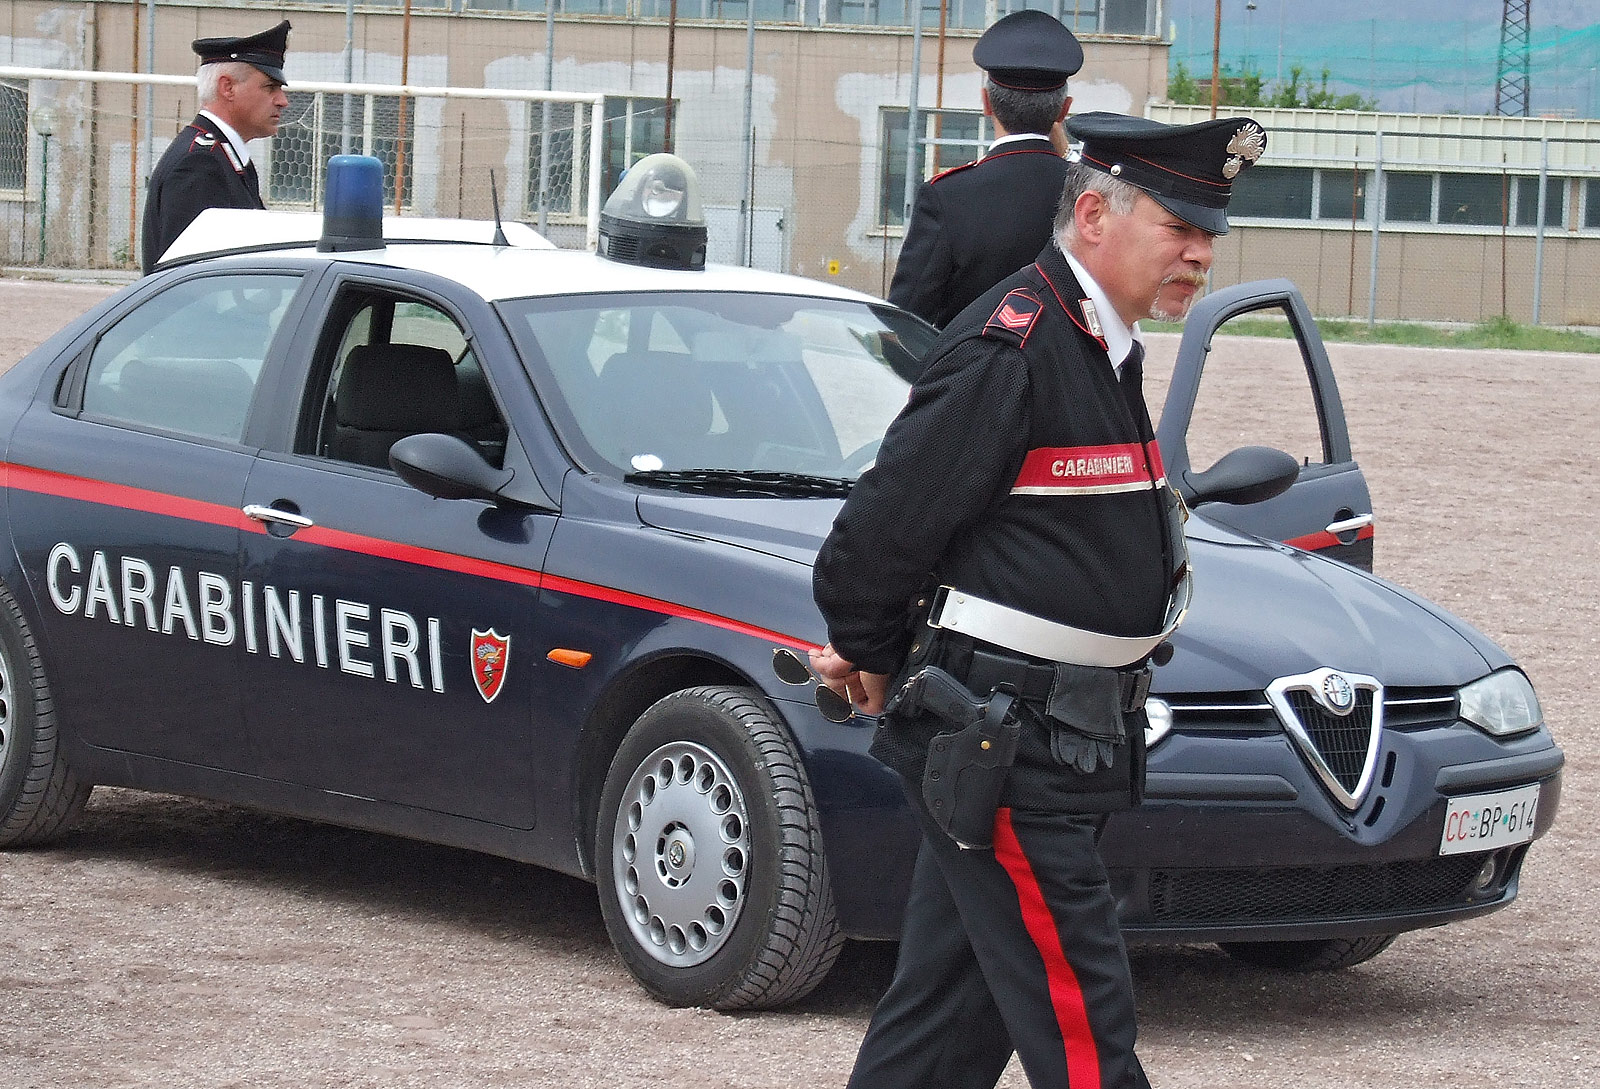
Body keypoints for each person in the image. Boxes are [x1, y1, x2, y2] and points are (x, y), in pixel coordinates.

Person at [812, 111, 1267, 1089]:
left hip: (1064, 738)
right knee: (1084, 1037)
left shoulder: (1103, 344)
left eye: (1208, 237)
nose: (1197, 254)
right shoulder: (1012, 347)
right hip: (1005, 744)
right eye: (1178, 229)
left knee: (946, 1025)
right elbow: (876, 538)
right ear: (1093, 214)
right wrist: (875, 654)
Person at [888, 10, 1081, 330]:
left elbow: (903, 322)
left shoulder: (948, 197)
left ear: (986, 103)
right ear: (1064, 109)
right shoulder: (1089, 196)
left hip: (969, 379)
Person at [141, 20, 292, 274]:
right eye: (270, 87)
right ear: (227, 87)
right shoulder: (200, 164)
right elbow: (191, 278)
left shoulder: (225, 156)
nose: (282, 101)